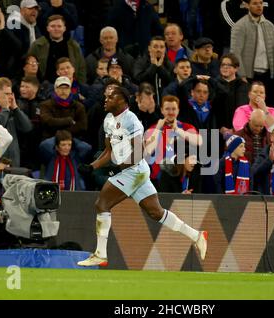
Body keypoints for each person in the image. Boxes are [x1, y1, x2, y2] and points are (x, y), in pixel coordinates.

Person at [76, 86, 207, 267]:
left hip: (134, 171)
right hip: (134, 171)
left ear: (122, 101)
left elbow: (138, 154)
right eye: (105, 97)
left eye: (110, 97)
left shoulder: (132, 121)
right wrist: (92, 167)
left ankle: (100, 254)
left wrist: (115, 169)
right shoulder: (108, 120)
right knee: (156, 213)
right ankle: (197, 235)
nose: (105, 100)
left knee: (102, 204)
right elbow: (108, 151)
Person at [230, 0, 274, 110]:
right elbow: (235, 53)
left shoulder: (270, 26)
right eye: (255, 3)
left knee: (271, 111)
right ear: (247, 5)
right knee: (250, 112)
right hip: (249, 77)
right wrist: (242, 76)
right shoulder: (240, 25)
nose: (259, 6)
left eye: (260, 3)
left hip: (268, 76)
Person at [40, 76, 87, 140]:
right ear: (55, 89)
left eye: (66, 88)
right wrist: (69, 120)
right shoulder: (45, 105)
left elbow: (82, 126)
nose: (63, 91)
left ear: (70, 90)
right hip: (51, 137)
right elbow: (48, 122)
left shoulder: (79, 106)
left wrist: (60, 130)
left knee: (86, 147)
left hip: (73, 138)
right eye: (60, 88)